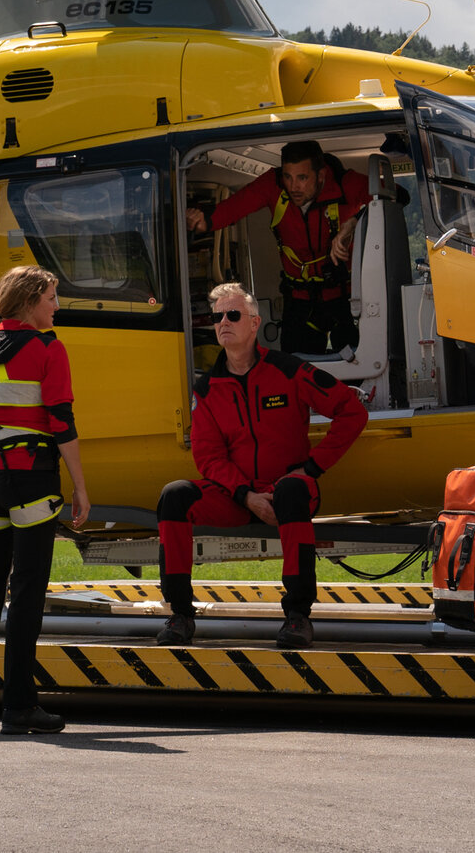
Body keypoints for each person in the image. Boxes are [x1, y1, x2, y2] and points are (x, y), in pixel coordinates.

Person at [151, 282, 367, 649]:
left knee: (292, 489)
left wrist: (311, 468)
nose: (223, 322)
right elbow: (208, 457)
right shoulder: (207, 389)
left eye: (232, 315)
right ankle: (180, 614)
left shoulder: (289, 370)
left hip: (291, 491)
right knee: (174, 496)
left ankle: (297, 616)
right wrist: (246, 495)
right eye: (217, 317)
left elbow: (352, 411)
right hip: (236, 497)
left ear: (254, 323)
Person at [0, 265, 90, 735]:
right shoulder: (49, 348)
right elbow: (61, 420)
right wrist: (81, 487)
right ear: (29, 303)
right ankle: (19, 706)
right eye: (51, 298)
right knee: (27, 594)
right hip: (30, 478)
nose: (57, 307)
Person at [187, 140, 371, 355]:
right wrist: (204, 221)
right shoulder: (272, 185)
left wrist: (354, 222)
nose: (293, 187)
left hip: (345, 298)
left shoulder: (346, 183)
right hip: (300, 300)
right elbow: (234, 207)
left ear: (321, 175)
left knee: (357, 363)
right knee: (295, 368)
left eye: (302, 178)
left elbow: (395, 196)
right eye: (288, 177)